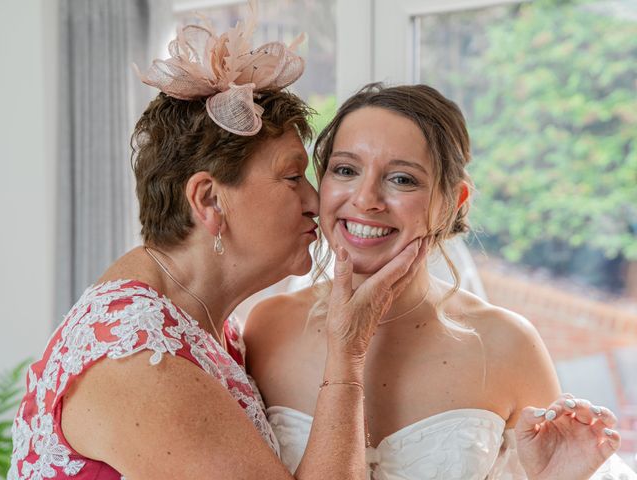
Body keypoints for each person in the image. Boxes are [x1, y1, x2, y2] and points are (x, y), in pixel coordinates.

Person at [7, 8, 427, 480]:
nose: (315, 201)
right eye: (292, 177)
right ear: (208, 200)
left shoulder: (202, 324)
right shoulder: (141, 363)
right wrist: (348, 355)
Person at [244, 83, 635, 479]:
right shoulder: (266, 328)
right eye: (345, 170)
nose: (365, 199)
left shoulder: (508, 345)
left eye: (402, 179)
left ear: (453, 203)